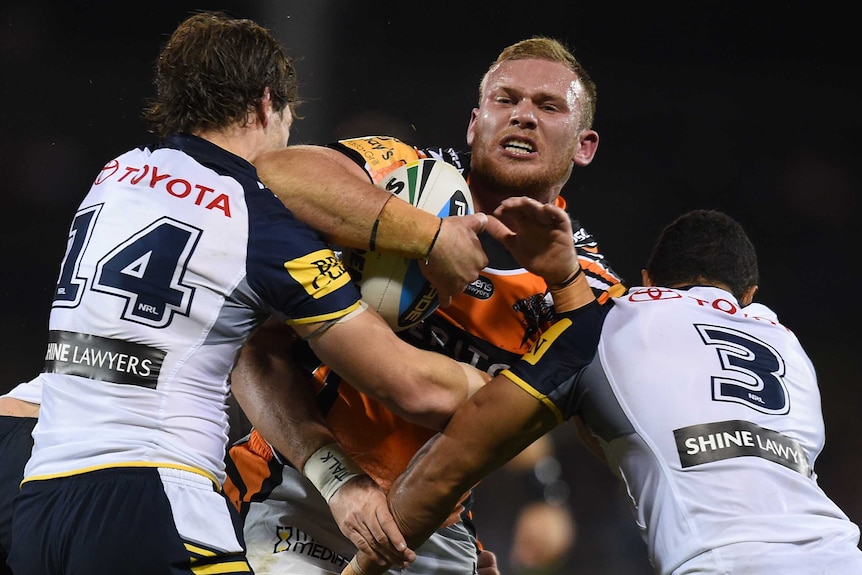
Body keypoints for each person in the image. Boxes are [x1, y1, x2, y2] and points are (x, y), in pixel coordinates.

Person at [6, 11, 502, 575]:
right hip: (153, 498)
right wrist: (521, 387)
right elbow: (407, 385)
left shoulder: (118, 173)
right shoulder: (260, 226)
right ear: (268, 104)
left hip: (41, 503)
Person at [223, 36, 624, 575]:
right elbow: (276, 172)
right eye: (505, 101)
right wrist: (428, 235)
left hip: (431, 526)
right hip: (301, 490)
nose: (523, 117)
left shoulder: (587, 284)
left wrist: (539, 496)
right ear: (474, 123)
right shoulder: (405, 175)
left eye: (548, 107)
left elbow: (609, 437)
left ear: (584, 145)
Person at [344, 207, 862, 575]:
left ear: (645, 277)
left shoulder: (614, 321)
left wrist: (365, 566)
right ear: (749, 295)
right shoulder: (788, 346)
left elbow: (456, 455)